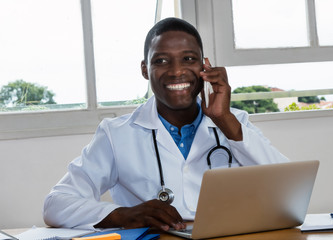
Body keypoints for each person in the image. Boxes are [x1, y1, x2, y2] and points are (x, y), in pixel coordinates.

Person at [43, 17, 288, 231]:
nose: (176, 71)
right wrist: (124, 215)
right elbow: (56, 204)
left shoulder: (235, 123)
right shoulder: (116, 134)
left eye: (188, 59)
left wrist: (224, 120)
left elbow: (288, 191)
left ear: (205, 66)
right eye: (161, 61)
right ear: (144, 69)